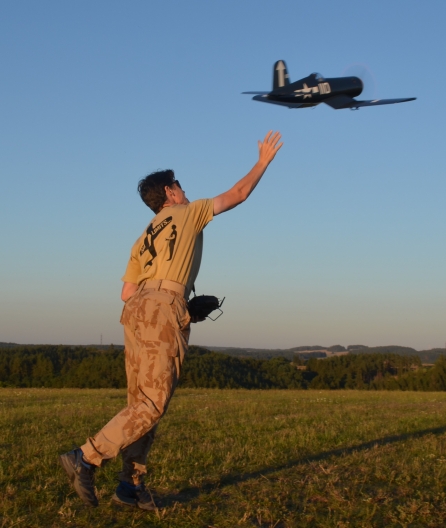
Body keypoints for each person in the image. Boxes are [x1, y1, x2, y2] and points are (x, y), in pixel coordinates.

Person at [60, 130, 283, 510]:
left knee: (140, 405)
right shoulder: (188, 212)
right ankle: (85, 457)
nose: (184, 190)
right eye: (180, 185)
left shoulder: (143, 236)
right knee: (151, 405)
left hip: (136, 311)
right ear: (170, 192)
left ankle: (129, 487)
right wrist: (262, 161)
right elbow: (238, 194)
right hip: (163, 307)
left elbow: (126, 293)